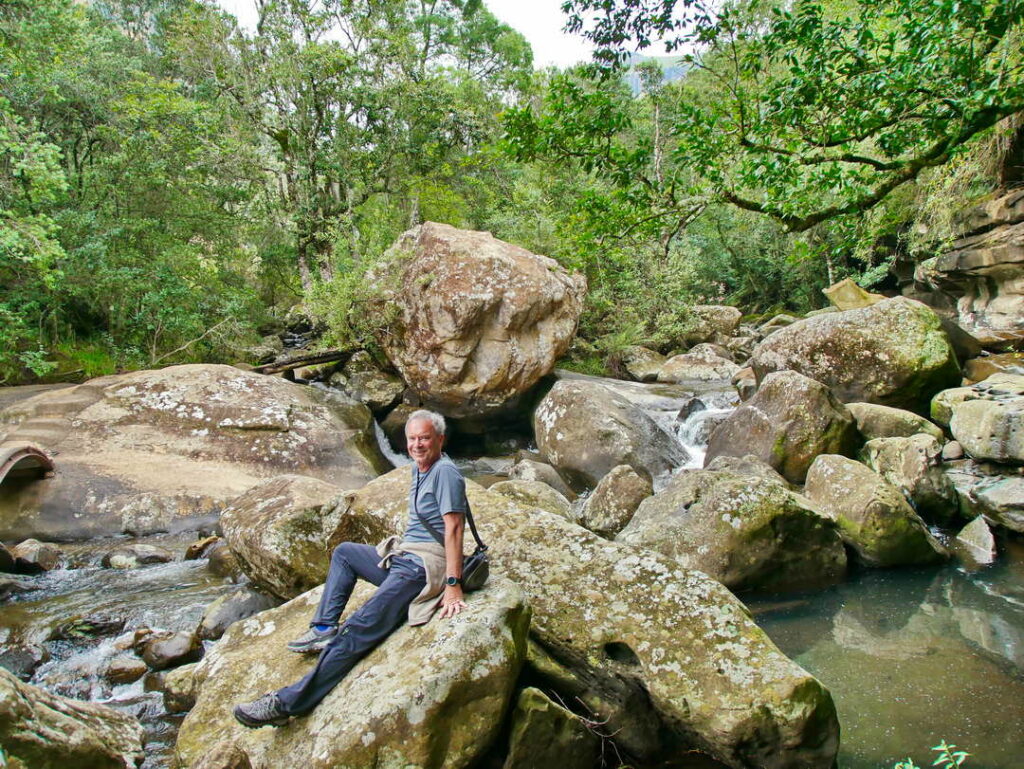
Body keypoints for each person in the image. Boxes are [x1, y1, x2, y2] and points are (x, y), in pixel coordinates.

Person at [233, 409, 468, 728]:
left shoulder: (445, 473)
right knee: (345, 552)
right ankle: (322, 629)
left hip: (420, 569)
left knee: (357, 630)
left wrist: (453, 585)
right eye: (412, 439)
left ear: (439, 439)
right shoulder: (418, 469)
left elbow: (454, 528)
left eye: (424, 438)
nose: (417, 445)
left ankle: (287, 703)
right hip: (404, 559)